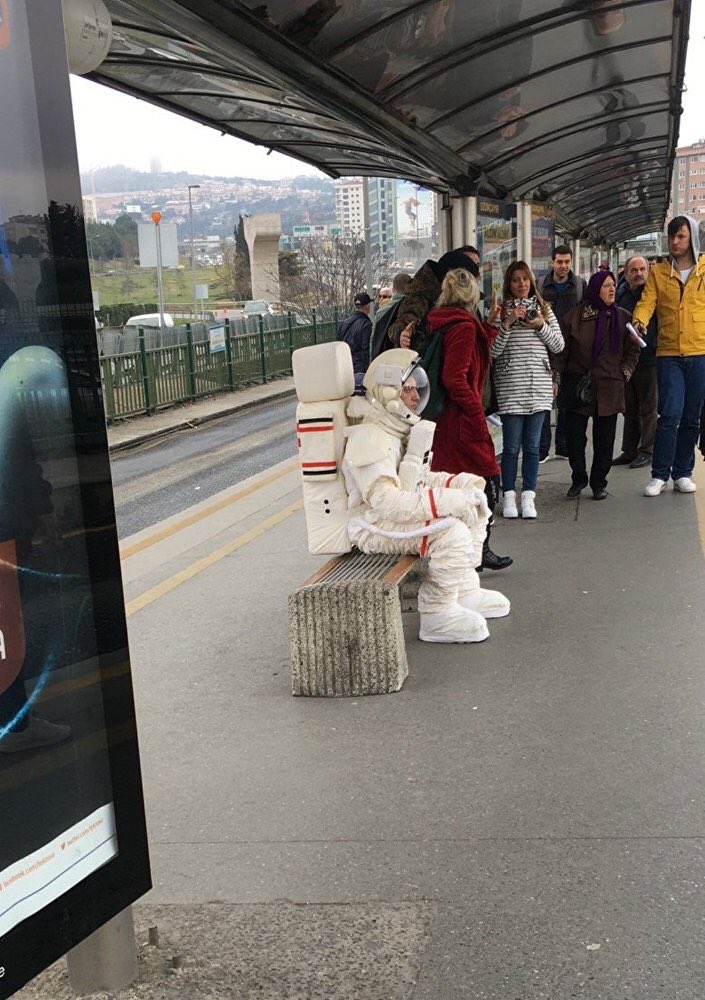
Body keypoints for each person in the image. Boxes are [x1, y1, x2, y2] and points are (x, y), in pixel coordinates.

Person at [343, 347, 510, 644]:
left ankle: (463, 589)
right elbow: (386, 501)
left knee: (473, 503)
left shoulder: (392, 429)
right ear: (387, 393)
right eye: (407, 390)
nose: (415, 397)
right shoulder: (371, 437)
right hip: (369, 524)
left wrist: (459, 484)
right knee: (452, 531)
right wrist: (448, 502)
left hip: (385, 518)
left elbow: (414, 482)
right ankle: (437, 613)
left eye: (416, 389)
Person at [425, 268, 513, 571]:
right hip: (462, 421)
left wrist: (489, 328)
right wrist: (475, 409)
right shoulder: (462, 326)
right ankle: (477, 552)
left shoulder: (446, 321)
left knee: (460, 488)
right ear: (471, 293)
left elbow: (471, 355)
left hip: (446, 423)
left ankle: (470, 553)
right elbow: (454, 377)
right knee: (486, 482)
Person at [632, 215, 705, 496]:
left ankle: (683, 472)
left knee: (691, 416)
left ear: (692, 239)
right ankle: (659, 474)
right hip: (669, 353)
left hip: (699, 352)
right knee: (670, 412)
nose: (674, 242)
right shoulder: (659, 272)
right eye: (672, 236)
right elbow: (646, 302)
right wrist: (639, 320)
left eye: (681, 237)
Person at [556, 270, 639, 500]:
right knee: (574, 438)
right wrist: (557, 378)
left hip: (610, 386)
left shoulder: (623, 318)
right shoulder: (575, 317)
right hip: (578, 385)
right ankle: (578, 478)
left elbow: (633, 350)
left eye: (613, 285)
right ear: (595, 289)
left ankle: (599, 483)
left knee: (605, 440)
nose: (612, 289)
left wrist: (624, 373)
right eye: (606, 285)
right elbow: (562, 352)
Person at [493, 261, 564, 519]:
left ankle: (529, 496)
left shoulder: (544, 309)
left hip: (538, 387)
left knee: (533, 447)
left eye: (525, 279)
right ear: (508, 284)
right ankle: (509, 496)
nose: (521, 284)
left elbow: (558, 345)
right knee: (511, 447)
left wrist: (540, 326)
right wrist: (508, 323)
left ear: (531, 281)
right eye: (515, 280)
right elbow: (493, 351)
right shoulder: (500, 312)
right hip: (511, 387)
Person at [539, 244, 586, 460]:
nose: (564, 266)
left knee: (566, 399)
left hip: (571, 350)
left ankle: (563, 445)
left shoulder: (579, 285)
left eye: (567, 262)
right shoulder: (540, 285)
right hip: (545, 348)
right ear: (552, 263)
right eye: (559, 262)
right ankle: (542, 448)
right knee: (544, 399)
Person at [387, 249, 480, 354]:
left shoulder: (448, 297)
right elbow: (400, 324)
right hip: (422, 363)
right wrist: (402, 334)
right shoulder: (421, 294)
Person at [612, 256, 658, 469]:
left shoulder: (652, 293)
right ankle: (629, 450)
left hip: (649, 357)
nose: (639, 273)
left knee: (648, 407)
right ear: (626, 273)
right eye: (634, 270)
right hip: (627, 359)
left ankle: (646, 450)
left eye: (642, 269)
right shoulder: (620, 292)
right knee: (628, 406)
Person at [369, 271, 412, 359]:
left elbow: (374, 340)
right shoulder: (415, 308)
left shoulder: (382, 311)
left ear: (393, 290)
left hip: (387, 358)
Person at [337, 292, 372, 374]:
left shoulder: (343, 323)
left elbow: (338, 345)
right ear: (367, 306)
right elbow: (365, 348)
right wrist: (367, 368)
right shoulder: (366, 324)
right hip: (359, 368)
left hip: (345, 365)